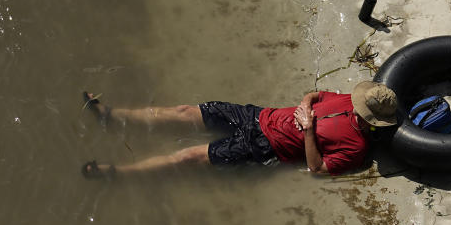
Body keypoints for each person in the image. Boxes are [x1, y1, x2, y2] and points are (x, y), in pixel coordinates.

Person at [80, 80, 398, 177]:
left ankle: (118, 171)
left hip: (264, 148)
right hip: (257, 116)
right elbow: (314, 94)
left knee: (187, 156)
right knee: (184, 111)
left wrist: (308, 130)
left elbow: (317, 169)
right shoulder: (346, 99)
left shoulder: (356, 149)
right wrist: (304, 106)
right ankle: (110, 113)